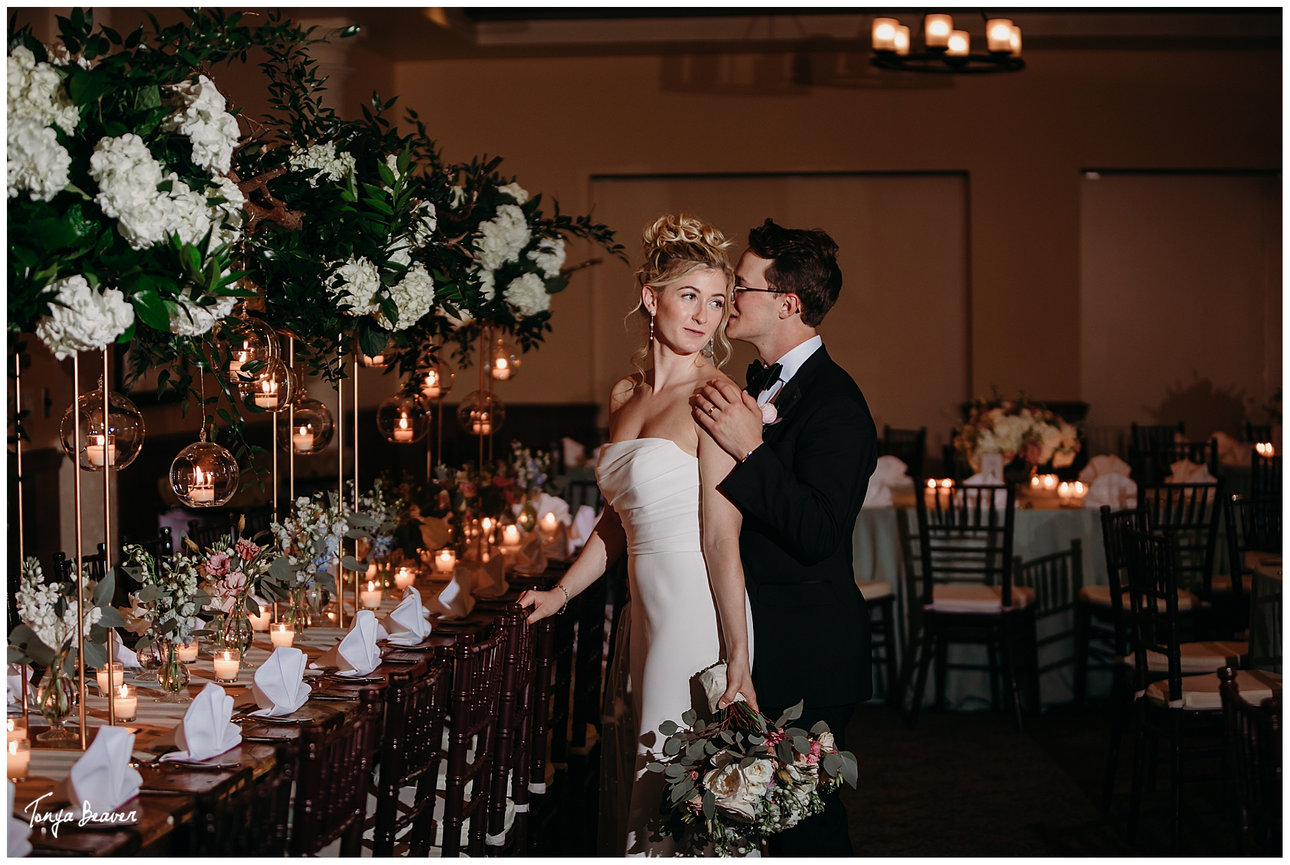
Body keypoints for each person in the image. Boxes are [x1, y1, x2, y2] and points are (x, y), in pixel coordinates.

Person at [518, 213, 758, 856]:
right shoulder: (626, 394)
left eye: (718, 302)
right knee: (648, 775)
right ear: (652, 298)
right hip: (643, 610)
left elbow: (722, 538)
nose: (705, 315)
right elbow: (618, 520)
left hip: (694, 609)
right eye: (690, 296)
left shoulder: (716, 398)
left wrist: (738, 652)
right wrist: (562, 592)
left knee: (672, 781)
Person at [692, 218, 877, 857]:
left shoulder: (837, 404)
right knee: (748, 825)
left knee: (806, 828)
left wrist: (752, 450)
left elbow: (818, 532)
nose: (728, 298)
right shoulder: (752, 385)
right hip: (754, 634)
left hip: (809, 646)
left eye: (741, 287)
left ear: (787, 304)